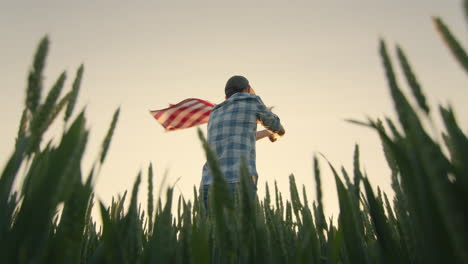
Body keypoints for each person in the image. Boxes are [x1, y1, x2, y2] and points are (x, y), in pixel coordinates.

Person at [201, 75, 285, 211]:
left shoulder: (214, 112)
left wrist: (266, 133)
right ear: (246, 90)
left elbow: (240, 136)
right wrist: (276, 132)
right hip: (238, 181)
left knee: (213, 231)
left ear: (226, 97)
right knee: (240, 231)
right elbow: (276, 126)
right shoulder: (251, 100)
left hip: (208, 183)